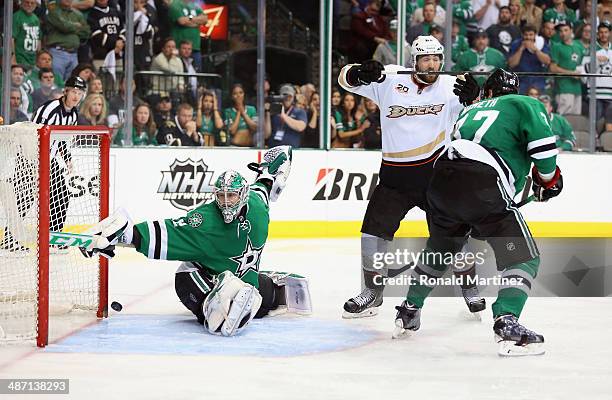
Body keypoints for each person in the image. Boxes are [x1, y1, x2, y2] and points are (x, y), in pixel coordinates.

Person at [393, 68, 562, 357]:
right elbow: (544, 151)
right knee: (523, 255)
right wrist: (548, 180)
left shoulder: (469, 111)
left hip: (442, 180)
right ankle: (507, 322)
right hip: (481, 182)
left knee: (440, 249)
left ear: (489, 92)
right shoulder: (524, 104)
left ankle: (408, 311)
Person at [81, 147, 311, 337]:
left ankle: (239, 296)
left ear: (242, 194)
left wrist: (275, 164)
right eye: (221, 196)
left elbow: (268, 180)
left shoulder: (242, 210)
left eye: (231, 195)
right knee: (197, 278)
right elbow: (165, 232)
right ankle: (226, 298)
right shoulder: (220, 215)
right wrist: (126, 233)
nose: (226, 202)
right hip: (223, 277)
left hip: (237, 280)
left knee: (202, 280)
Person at [337, 36, 482, 318]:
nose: (432, 64)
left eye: (436, 58)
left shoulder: (453, 86)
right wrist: (358, 72)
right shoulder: (390, 78)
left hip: (436, 176)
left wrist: (474, 98)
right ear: (413, 62)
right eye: (425, 59)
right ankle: (372, 294)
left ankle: (470, 289)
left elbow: (478, 117)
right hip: (394, 179)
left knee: (455, 236)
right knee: (372, 236)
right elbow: (344, 80)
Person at [5, 76, 88, 253]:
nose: (76, 96)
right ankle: (10, 238)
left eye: (80, 93)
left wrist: (67, 159)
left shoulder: (73, 114)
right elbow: (32, 135)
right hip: (30, 157)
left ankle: (53, 238)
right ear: (66, 91)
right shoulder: (50, 109)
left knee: (62, 195)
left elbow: (62, 139)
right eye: (74, 91)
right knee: (24, 198)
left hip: (48, 160)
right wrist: (34, 163)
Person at [45, 0, 91, 81]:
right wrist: (76, 26)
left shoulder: (77, 14)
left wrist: (70, 26)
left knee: (71, 85)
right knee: (57, 83)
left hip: (74, 54)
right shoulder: (53, 10)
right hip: (57, 53)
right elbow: (63, 26)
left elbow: (86, 32)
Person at [549, 22, 583, 115]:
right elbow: (553, 68)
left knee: (576, 120)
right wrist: (571, 73)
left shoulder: (579, 46)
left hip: (577, 89)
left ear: (571, 31)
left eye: (565, 30)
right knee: (563, 118)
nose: (563, 33)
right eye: (560, 31)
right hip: (563, 88)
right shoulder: (557, 46)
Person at [508, 25, 551, 94]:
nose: (528, 37)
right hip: (521, 81)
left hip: (538, 81)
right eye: (526, 35)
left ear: (535, 35)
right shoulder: (516, 44)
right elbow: (512, 64)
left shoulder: (541, 43)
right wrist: (521, 49)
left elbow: (547, 61)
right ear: (522, 35)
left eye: (531, 35)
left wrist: (536, 50)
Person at [168, 0, 208, 72]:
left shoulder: (196, 5)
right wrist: (197, 22)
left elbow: (205, 19)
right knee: (180, 73)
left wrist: (189, 19)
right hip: (179, 48)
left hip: (195, 47)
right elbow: (181, 21)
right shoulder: (175, 4)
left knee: (197, 75)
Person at [88, 0, 124, 72]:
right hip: (101, 56)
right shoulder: (92, 14)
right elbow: (97, 36)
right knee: (101, 81)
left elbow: (123, 30)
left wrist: (121, 41)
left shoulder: (115, 12)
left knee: (117, 80)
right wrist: (115, 44)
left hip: (117, 56)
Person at [11, 0, 41, 68]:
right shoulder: (16, 16)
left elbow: (38, 39)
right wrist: (13, 56)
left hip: (33, 61)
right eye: (27, 2)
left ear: (36, 4)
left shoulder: (36, 19)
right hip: (20, 60)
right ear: (21, 3)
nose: (29, 5)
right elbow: (11, 38)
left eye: (32, 3)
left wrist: (38, 58)